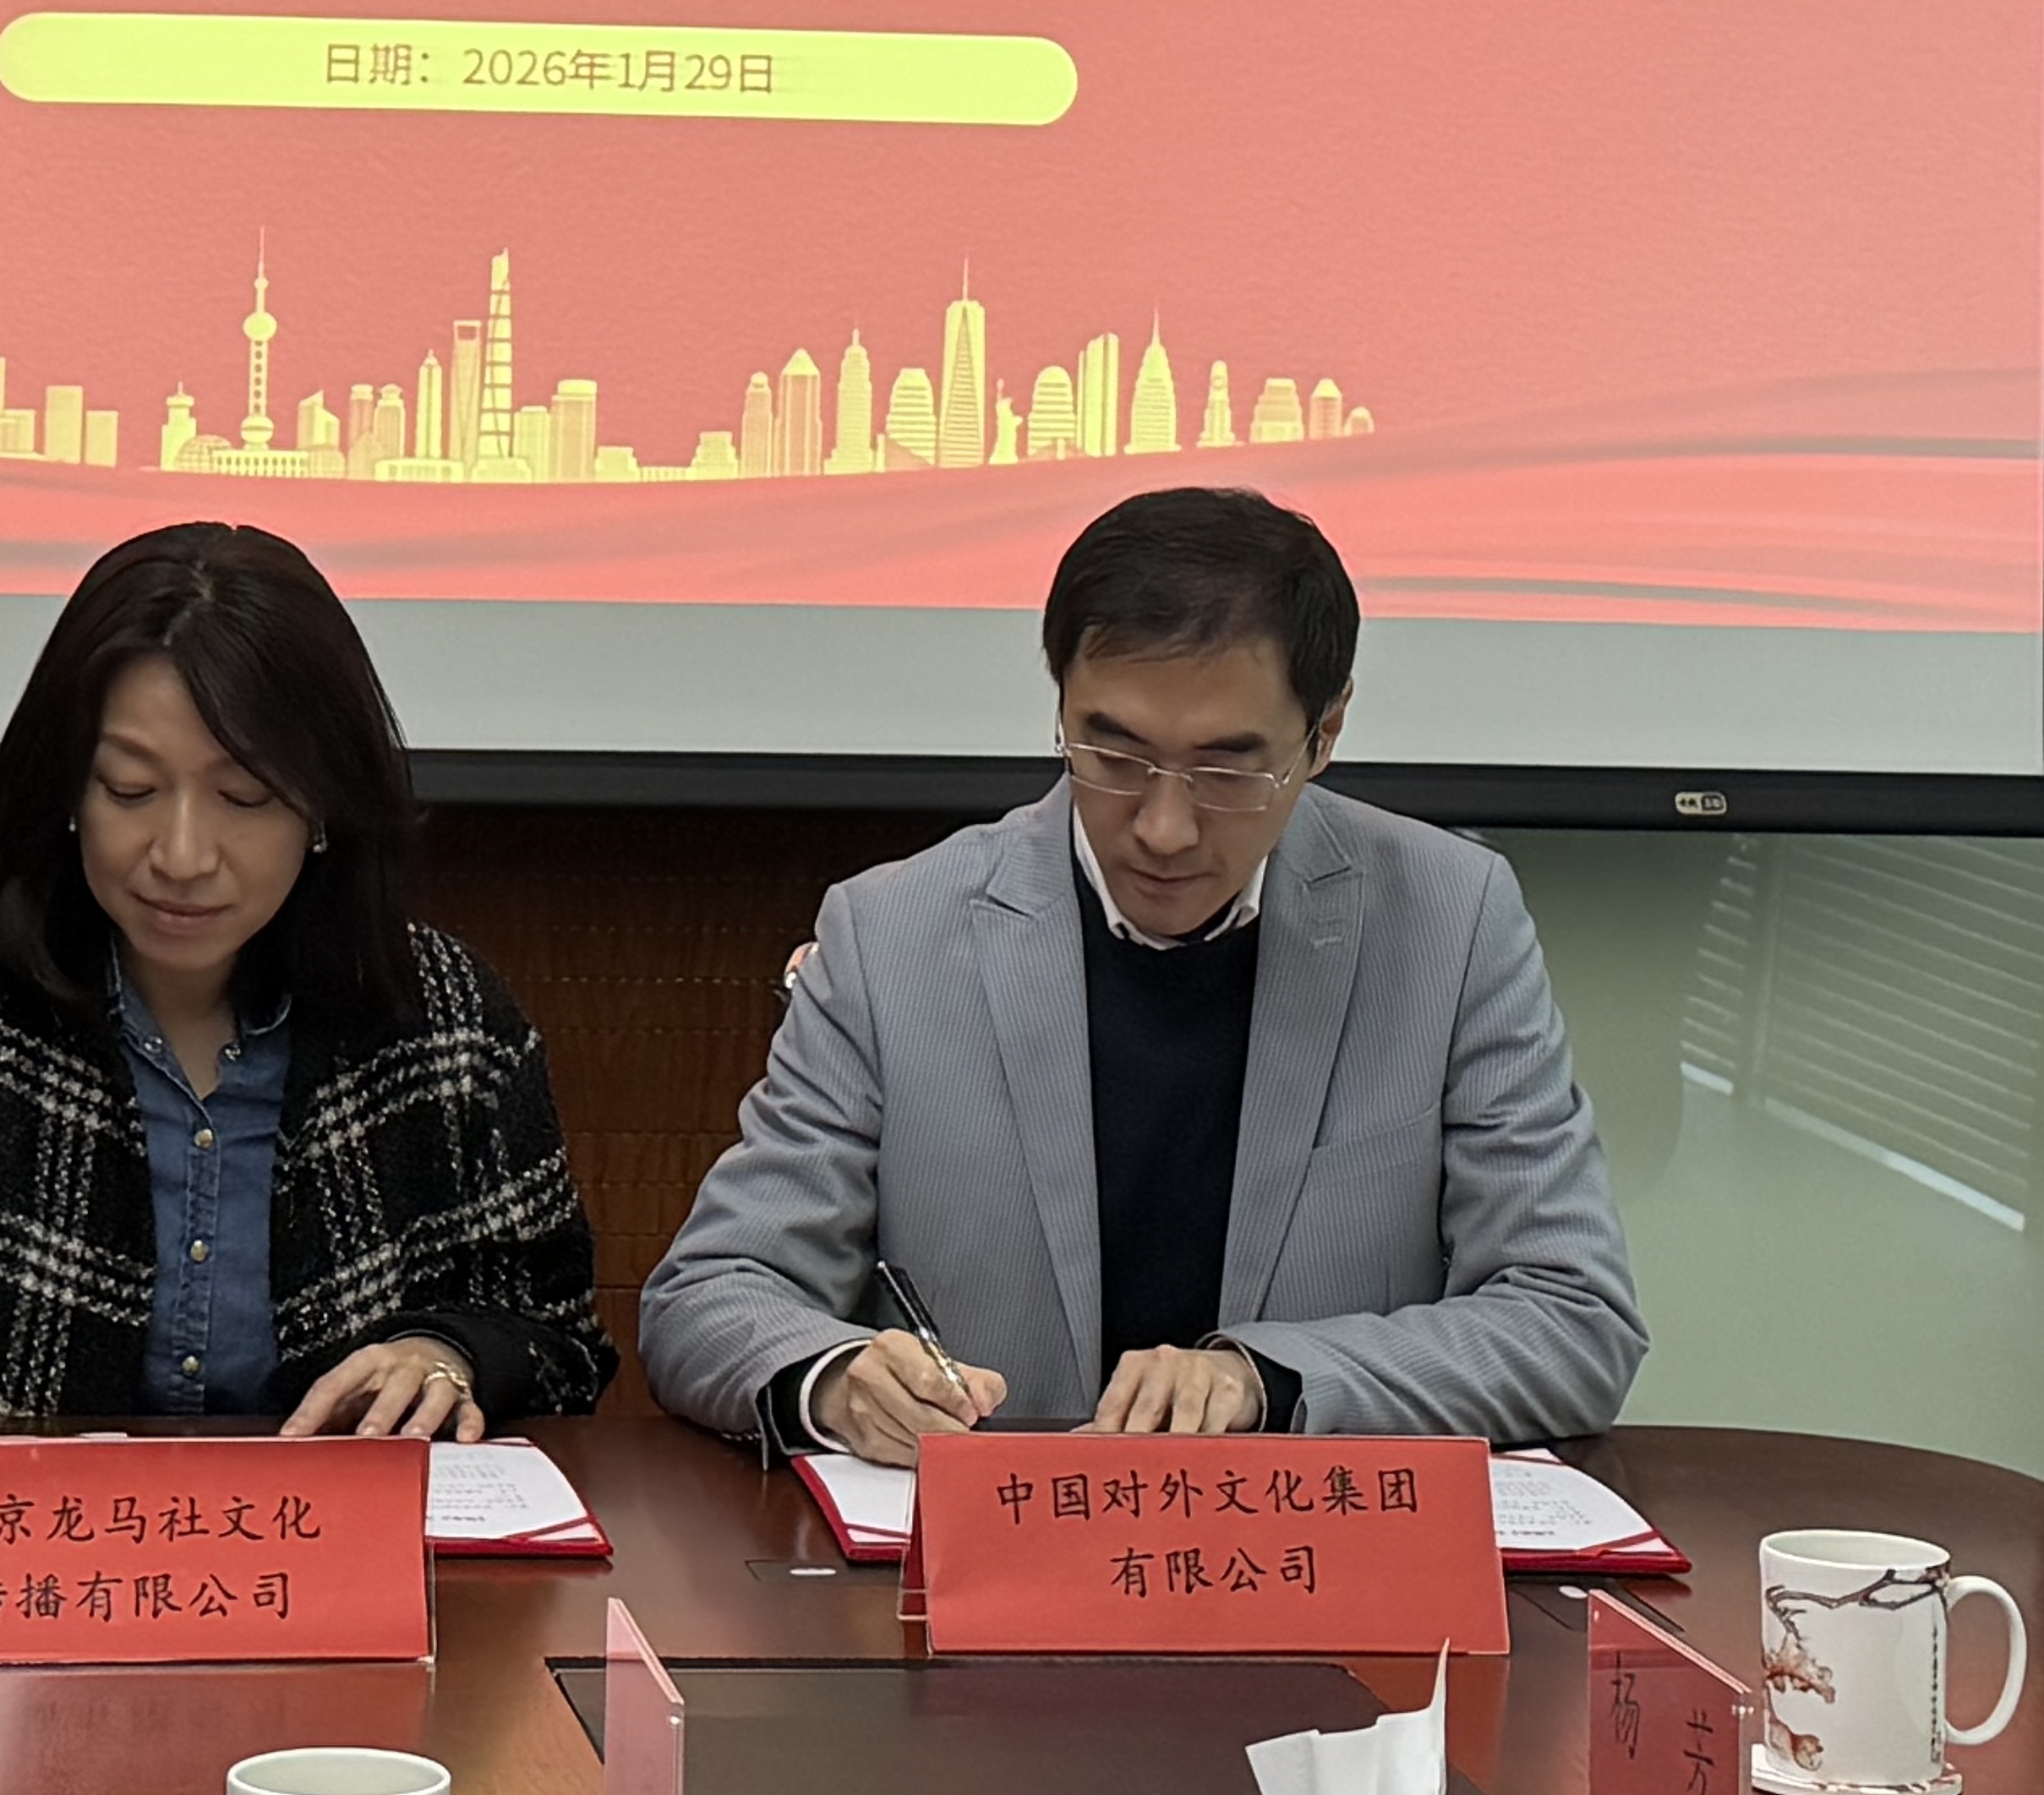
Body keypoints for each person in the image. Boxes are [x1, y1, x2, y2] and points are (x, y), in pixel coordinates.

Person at [641, 487, 1642, 1459]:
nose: (1163, 829)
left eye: (1226, 770)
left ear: (1324, 735)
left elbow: (1572, 1320)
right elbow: (711, 1295)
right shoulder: (892, 934)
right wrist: (837, 1380)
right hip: (992, 1548)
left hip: (1301, 1551)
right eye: (1113, 756)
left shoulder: (1450, 923)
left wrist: (1268, 1382)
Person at [0, 523, 616, 1491]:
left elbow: (558, 1337)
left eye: (244, 798)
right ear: (68, 789)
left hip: (334, 1575)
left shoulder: (445, 1023)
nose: (181, 855)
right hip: (5, 1572)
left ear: (323, 808)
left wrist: (450, 1354)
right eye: (131, 789)